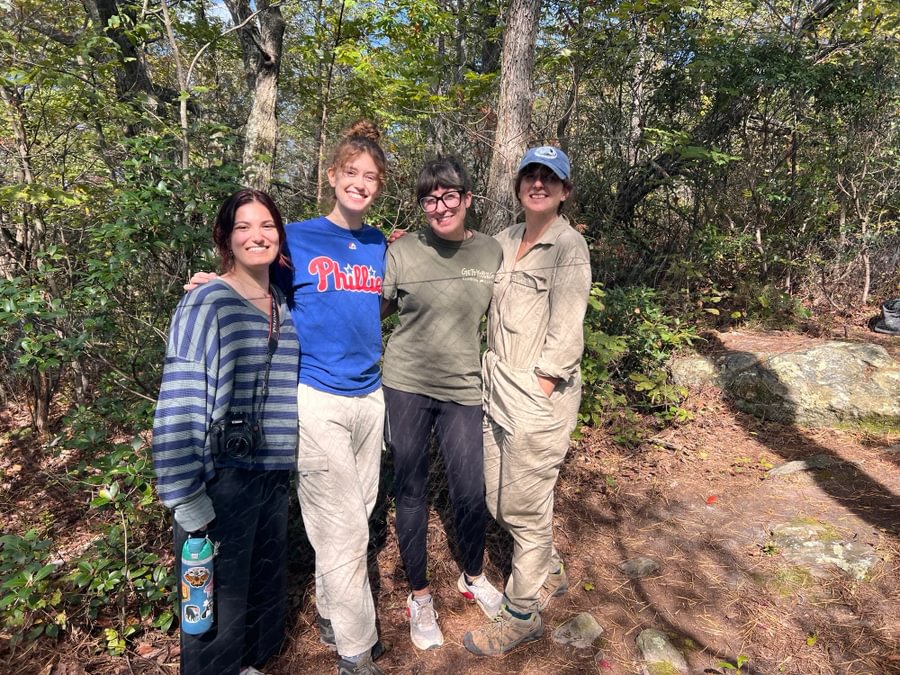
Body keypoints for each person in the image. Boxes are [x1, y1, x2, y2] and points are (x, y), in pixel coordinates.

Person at [188, 121, 390, 675]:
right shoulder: (297, 238)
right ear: (332, 176)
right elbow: (254, 274)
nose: (360, 183)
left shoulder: (378, 244)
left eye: (371, 177)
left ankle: (328, 612)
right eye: (351, 173)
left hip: (369, 396)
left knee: (356, 515)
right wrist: (217, 280)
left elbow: (378, 302)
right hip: (317, 398)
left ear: (379, 186)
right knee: (345, 530)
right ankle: (355, 652)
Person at [152, 189, 300, 675]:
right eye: (243, 227)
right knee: (212, 617)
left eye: (267, 225)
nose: (257, 236)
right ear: (225, 238)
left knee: (256, 604)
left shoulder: (281, 302)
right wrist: (184, 495)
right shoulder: (207, 302)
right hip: (220, 481)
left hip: (271, 476)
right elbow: (180, 400)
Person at [463, 146, 592, 656]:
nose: (538, 184)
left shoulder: (569, 245)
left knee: (525, 506)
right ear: (519, 186)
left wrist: (540, 388)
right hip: (496, 387)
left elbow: (567, 329)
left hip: (539, 394)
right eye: (530, 176)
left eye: (549, 178)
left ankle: (521, 616)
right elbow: (460, 267)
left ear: (564, 191)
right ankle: (550, 568)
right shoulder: (502, 241)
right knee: (499, 499)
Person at [381, 158, 504, 651]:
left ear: (467, 198)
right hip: (405, 383)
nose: (440, 207)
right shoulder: (403, 251)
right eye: (429, 199)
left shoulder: (491, 252)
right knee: (410, 492)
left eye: (449, 195)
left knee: (469, 488)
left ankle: (472, 575)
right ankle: (420, 597)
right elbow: (367, 308)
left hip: (463, 387)